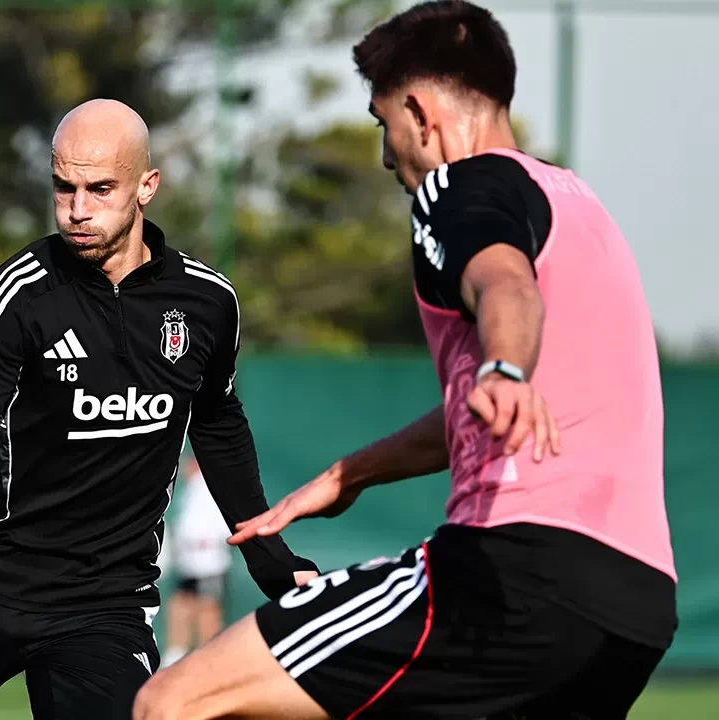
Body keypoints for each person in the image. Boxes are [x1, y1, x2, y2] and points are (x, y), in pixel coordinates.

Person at [134, 2, 677, 719]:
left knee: (174, 699)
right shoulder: (581, 206)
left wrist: (503, 367)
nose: (388, 156)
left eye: (381, 123)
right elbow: (484, 406)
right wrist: (349, 474)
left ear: (419, 113)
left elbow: (503, 284)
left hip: (512, 571)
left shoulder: (459, 186)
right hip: (634, 608)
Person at [0, 99, 319, 720]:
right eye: (63, 187)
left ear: (146, 187)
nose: (77, 209)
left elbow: (218, 427)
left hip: (107, 608)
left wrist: (272, 563)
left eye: (100, 189)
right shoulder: (20, 296)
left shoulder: (207, 303)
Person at [161, 454, 233, 668]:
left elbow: (225, 522)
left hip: (210, 563)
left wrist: (210, 541)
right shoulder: (190, 489)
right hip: (188, 563)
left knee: (207, 608)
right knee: (180, 603)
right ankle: (176, 654)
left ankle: (209, 657)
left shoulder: (212, 487)